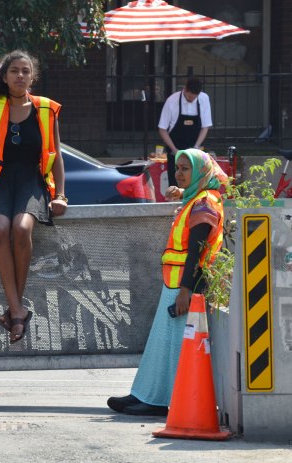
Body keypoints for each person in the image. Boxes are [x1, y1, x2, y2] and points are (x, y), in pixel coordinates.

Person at [107, 148, 228, 416]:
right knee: (161, 343)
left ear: (200, 172)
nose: (179, 173)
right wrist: (181, 193)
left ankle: (160, 401)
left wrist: (185, 291)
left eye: (186, 168)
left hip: (183, 286)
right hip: (173, 283)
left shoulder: (205, 202)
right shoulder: (197, 198)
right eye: (178, 167)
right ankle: (144, 394)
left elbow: (196, 251)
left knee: (172, 345)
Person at [0, 50, 67, 344]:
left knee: (22, 229)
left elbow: (56, 156)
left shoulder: (46, 109)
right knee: (0, 229)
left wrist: (60, 195)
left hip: (32, 180)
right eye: (14, 71)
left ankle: (14, 310)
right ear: (4, 77)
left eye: (25, 71)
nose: (20, 76)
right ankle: (18, 312)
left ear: (32, 77)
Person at [158, 77, 213, 187]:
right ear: (185, 89)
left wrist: (196, 147)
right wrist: (174, 149)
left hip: (195, 151)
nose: (191, 100)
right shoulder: (172, 101)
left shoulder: (204, 99)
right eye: (189, 97)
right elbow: (162, 129)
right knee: (175, 186)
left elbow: (205, 127)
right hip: (175, 150)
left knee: (196, 185)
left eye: (194, 98)